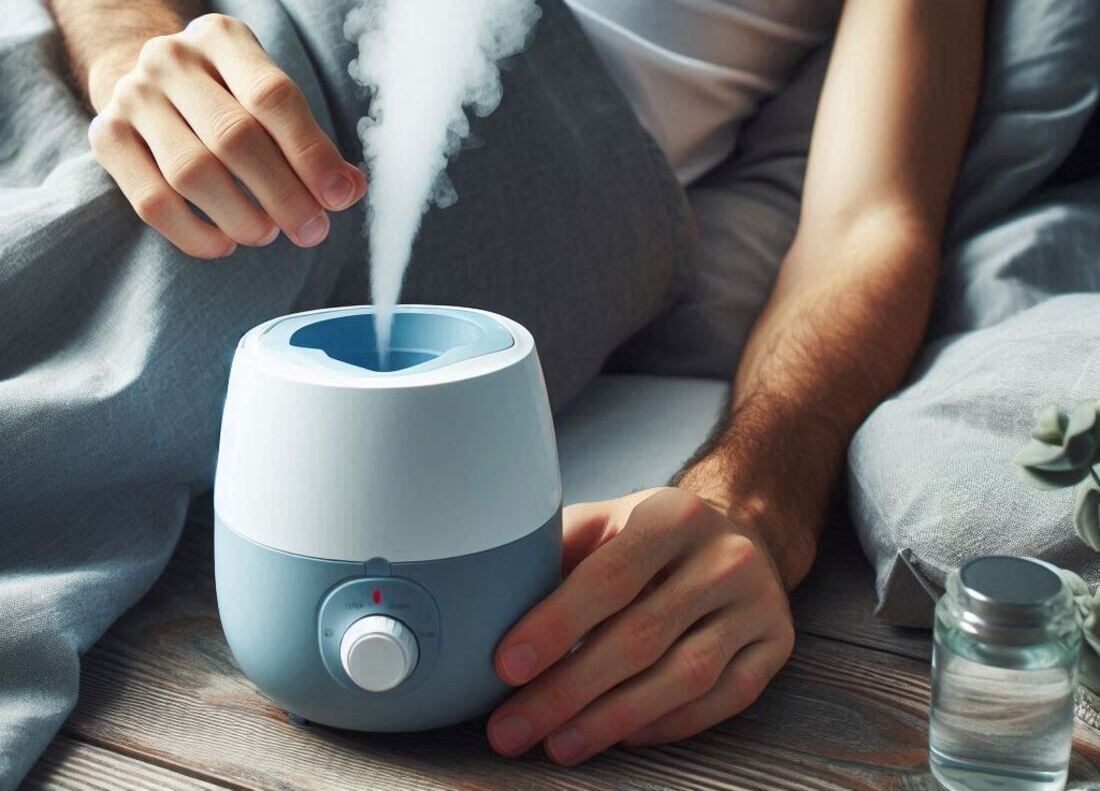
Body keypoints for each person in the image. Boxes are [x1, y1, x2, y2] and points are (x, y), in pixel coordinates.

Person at [45, 0, 985, 767]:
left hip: (524, 166)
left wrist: (752, 498)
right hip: (180, 85)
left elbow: (871, 224)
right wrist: (130, 39)